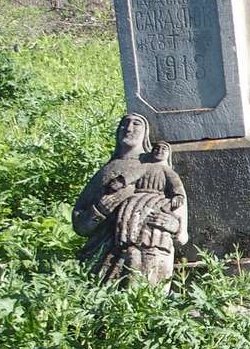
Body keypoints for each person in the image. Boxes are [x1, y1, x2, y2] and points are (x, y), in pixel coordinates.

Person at [72, 113, 189, 287]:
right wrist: (99, 211)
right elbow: (80, 223)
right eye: (124, 124)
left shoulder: (156, 167)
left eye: (136, 124)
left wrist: (173, 224)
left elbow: (181, 226)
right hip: (106, 249)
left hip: (149, 244)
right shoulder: (107, 170)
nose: (128, 128)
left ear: (145, 134)